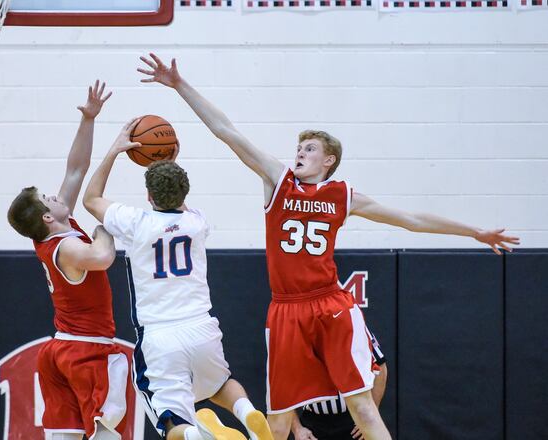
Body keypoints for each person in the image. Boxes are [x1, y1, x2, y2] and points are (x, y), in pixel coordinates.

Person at [136, 52, 520, 440]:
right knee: (279, 418)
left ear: (329, 160)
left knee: (362, 404)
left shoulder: (343, 195)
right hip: (286, 309)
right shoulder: (278, 179)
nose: (299, 154)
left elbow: (412, 219)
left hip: (331, 304)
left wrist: (474, 231)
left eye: (309, 150)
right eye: (298, 148)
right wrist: (180, 85)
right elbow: (227, 130)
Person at [82, 120, 274, 440]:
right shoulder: (196, 221)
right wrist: (171, 159)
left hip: (161, 336)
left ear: (147, 195)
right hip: (202, 327)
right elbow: (176, 197)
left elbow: (91, 198)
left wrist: (114, 151)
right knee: (221, 385)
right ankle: (247, 412)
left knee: (170, 419)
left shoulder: (136, 222)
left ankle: (192, 435)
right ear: (185, 192)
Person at [7, 81, 128, 440]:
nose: (55, 195)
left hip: (59, 349)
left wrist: (90, 120)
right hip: (87, 350)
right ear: (47, 216)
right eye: (47, 198)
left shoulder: (55, 232)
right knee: (105, 432)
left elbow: (76, 169)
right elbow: (103, 257)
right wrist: (105, 224)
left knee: (65, 435)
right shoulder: (67, 247)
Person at [291, 330, 388, 440]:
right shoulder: (300, 334)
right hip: (313, 425)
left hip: (352, 420)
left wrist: (371, 416)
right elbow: (284, 381)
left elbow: (381, 367)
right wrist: (297, 428)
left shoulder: (355, 326)